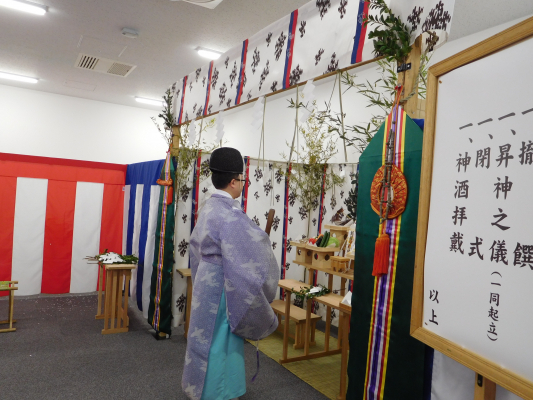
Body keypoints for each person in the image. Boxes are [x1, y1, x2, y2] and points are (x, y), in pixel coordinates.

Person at [182, 147, 279, 400]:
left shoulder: (208, 208)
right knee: (220, 338)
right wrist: (263, 243)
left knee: (203, 335)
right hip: (222, 284)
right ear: (234, 181)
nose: (243, 184)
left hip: (205, 279)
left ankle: (201, 387)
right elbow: (253, 249)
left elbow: (195, 246)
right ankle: (217, 392)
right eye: (242, 179)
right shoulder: (230, 213)